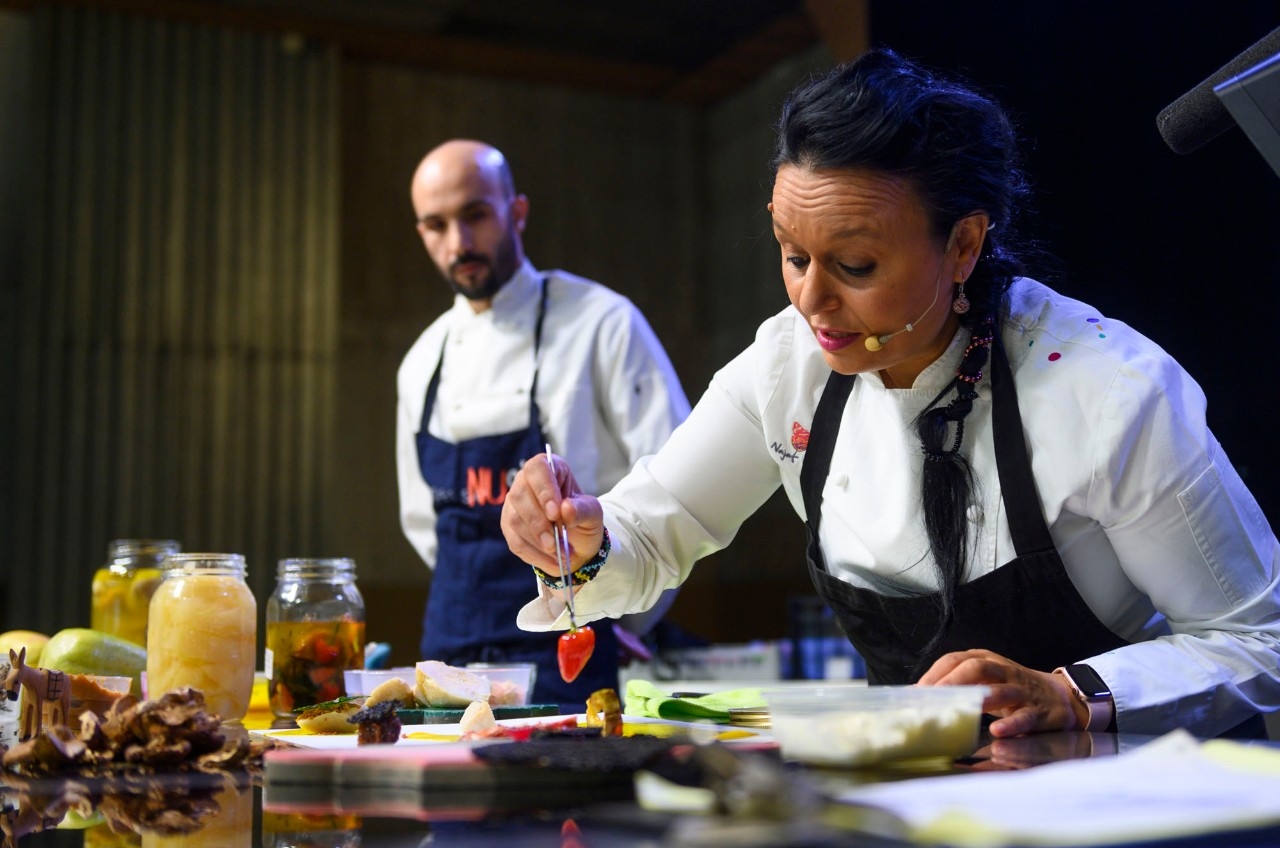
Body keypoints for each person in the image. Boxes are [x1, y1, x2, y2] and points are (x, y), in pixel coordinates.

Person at [501, 50, 1280, 739]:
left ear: (965, 244)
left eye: (856, 267)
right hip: (910, 804)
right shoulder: (787, 365)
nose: (810, 301)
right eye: (791, 254)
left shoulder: (1107, 391)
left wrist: (1072, 694)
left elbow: (1257, 639)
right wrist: (581, 533)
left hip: (1114, 799)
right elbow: (653, 527)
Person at [397, 139, 691, 710]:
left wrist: (624, 607)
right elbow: (422, 524)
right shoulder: (420, 363)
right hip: (450, 658)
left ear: (518, 211)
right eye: (436, 225)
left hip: (571, 650)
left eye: (475, 215)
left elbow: (676, 488)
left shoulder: (603, 324)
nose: (458, 242)